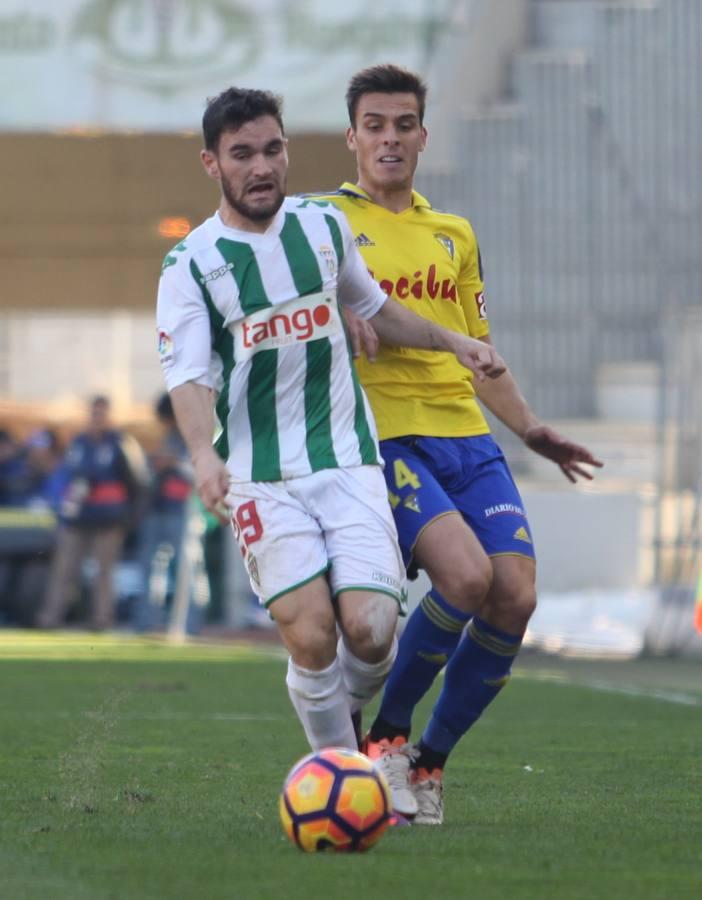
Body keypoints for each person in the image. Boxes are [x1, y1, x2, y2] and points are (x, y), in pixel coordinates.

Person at [155, 86, 506, 762]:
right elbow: (189, 377)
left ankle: (338, 723)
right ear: (211, 164)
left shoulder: (323, 227)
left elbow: (374, 306)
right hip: (259, 479)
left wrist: (451, 341)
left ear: (287, 149)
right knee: (312, 633)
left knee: (372, 631)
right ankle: (339, 774)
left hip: (347, 461)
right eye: (242, 155)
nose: (261, 167)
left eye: (272, 149)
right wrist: (203, 456)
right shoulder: (189, 267)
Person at [310, 64, 604, 823]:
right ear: (352, 138)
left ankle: (429, 765)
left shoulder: (454, 234)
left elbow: (478, 350)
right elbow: (287, 311)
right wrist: (329, 319)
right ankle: (384, 740)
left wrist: (532, 428)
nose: (389, 139)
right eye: (374, 125)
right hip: (387, 434)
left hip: (466, 437)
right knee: (466, 579)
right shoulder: (322, 223)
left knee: (516, 595)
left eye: (403, 125)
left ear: (422, 136)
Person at [35, 396, 148, 631]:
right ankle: (51, 618)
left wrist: (129, 516)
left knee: (103, 573)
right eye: (94, 414)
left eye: (101, 414)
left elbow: (137, 482)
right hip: (77, 516)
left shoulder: (121, 443)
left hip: (109, 518)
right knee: (64, 569)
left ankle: (102, 621)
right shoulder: (79, 443)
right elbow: (66, 476)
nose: (97, 419)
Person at [133, 393, 194, 631]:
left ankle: (189, 626)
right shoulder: (166, 437)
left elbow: (198, 472)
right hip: (158, 508)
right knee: (150, 568)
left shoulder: (195, 434)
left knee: (186, 570)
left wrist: (174, 464)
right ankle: (148, 623)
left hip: (184, 509)